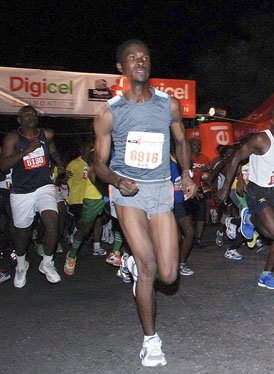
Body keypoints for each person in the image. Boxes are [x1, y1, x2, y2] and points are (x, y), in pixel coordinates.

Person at [93, 39, 196, 367]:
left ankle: (136, 265)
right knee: (150, 268)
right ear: (120, 67)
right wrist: (115, 180)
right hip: (128, 192)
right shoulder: (110, 112)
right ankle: (151, 340)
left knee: (168, 275)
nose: (140, 61)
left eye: (145, 57)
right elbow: (98, 163)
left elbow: (181, 142)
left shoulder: (168, 104)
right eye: (132, 57)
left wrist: (188, 173)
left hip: (160, 189)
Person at [218, 106, 274, 289]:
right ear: (273, 119)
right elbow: (236, 157)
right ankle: (251, 218)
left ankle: (266, 275)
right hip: (257, 190)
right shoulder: (261, 139)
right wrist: (225, 187)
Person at [0, 105, 63, 288]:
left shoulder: (47, 134)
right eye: (26, 114)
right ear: (19, 120)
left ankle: (47, 262)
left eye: (33, 113)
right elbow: (3, 166)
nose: (31, 116)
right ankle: (21, 265)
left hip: (44, 186)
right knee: (22, 233)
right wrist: (26, 151)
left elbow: (52, 150)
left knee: (52, 221)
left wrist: (61, 165)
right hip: (21, 191)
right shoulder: (12, 138)